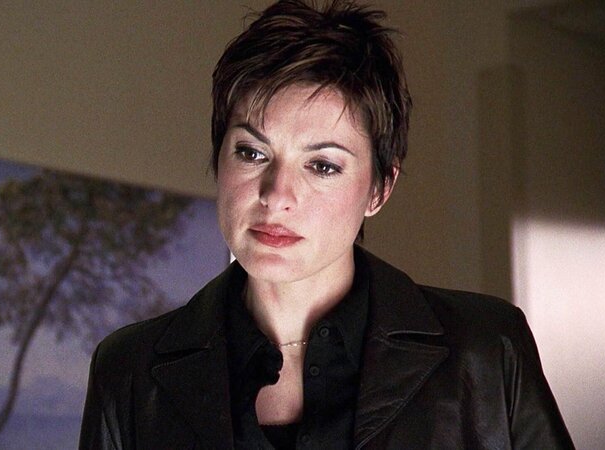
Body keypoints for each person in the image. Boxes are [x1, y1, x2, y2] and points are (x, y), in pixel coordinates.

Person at [79, 1, 574, 448]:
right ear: (218, 160)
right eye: (252, 153)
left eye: (322, 165)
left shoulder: (487, 351)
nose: (277, 195)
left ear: (379, 190)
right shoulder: (128, 370)